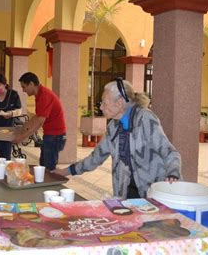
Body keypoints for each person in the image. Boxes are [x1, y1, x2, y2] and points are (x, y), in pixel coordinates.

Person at [53, 78, 181, 198]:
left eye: (104, 102)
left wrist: (173, 173)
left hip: (154, 192)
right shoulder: (114, 126)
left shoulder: (144, 119)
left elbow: (170, 152)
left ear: (119, 103)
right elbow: (96, 157)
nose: (101, 107)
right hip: (127, 191)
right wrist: (65, 172)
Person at [13, 72, 66, 171]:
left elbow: (40, 122)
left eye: (24, 87)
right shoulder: (39, 95)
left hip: (55, 136)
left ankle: (49, 185)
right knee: (43, 167)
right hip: (50, 135)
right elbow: (37, 116)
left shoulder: (45, 95)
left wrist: (22, 137)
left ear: (32, 84)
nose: (23, 90)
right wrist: (23, 127)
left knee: (48, 169)